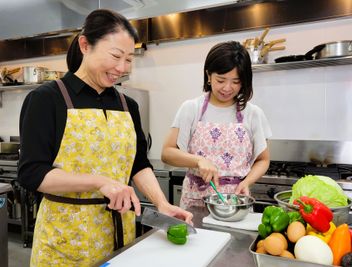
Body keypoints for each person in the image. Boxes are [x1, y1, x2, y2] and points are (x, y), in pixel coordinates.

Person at [18, 9, 192, 266]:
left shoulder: (127, 105)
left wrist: (162, 203)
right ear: (85, 45)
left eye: (129, 59)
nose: (121, 68)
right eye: (115, 56)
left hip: (119, 234)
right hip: (65, 236)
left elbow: (138, 164)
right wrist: (99, 182)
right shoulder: (47, 99)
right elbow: (33, 173)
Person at [161, 41, 272, 209]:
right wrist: (198, 161)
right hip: (195, 202)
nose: (227, 88)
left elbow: (263, 160)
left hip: (236, 203)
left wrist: (247, 182)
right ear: (208, 75)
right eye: (221, 80)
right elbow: (167, 153)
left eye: (236, 82)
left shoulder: (253, 113)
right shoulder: (191, 109)